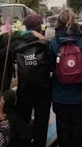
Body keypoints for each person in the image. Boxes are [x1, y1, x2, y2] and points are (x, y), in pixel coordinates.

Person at [49, 9, 82, 147]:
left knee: (62, 131)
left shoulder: (53, 42)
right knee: (78, 130)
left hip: (59, 95)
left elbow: (51, 67)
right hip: (80, 94)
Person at [15, 13, 51, 147]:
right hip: (43, 88)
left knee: (23, 121)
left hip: (24, 88)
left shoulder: (18, 42)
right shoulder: (46, 43)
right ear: (39, 27)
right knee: (42, 122)